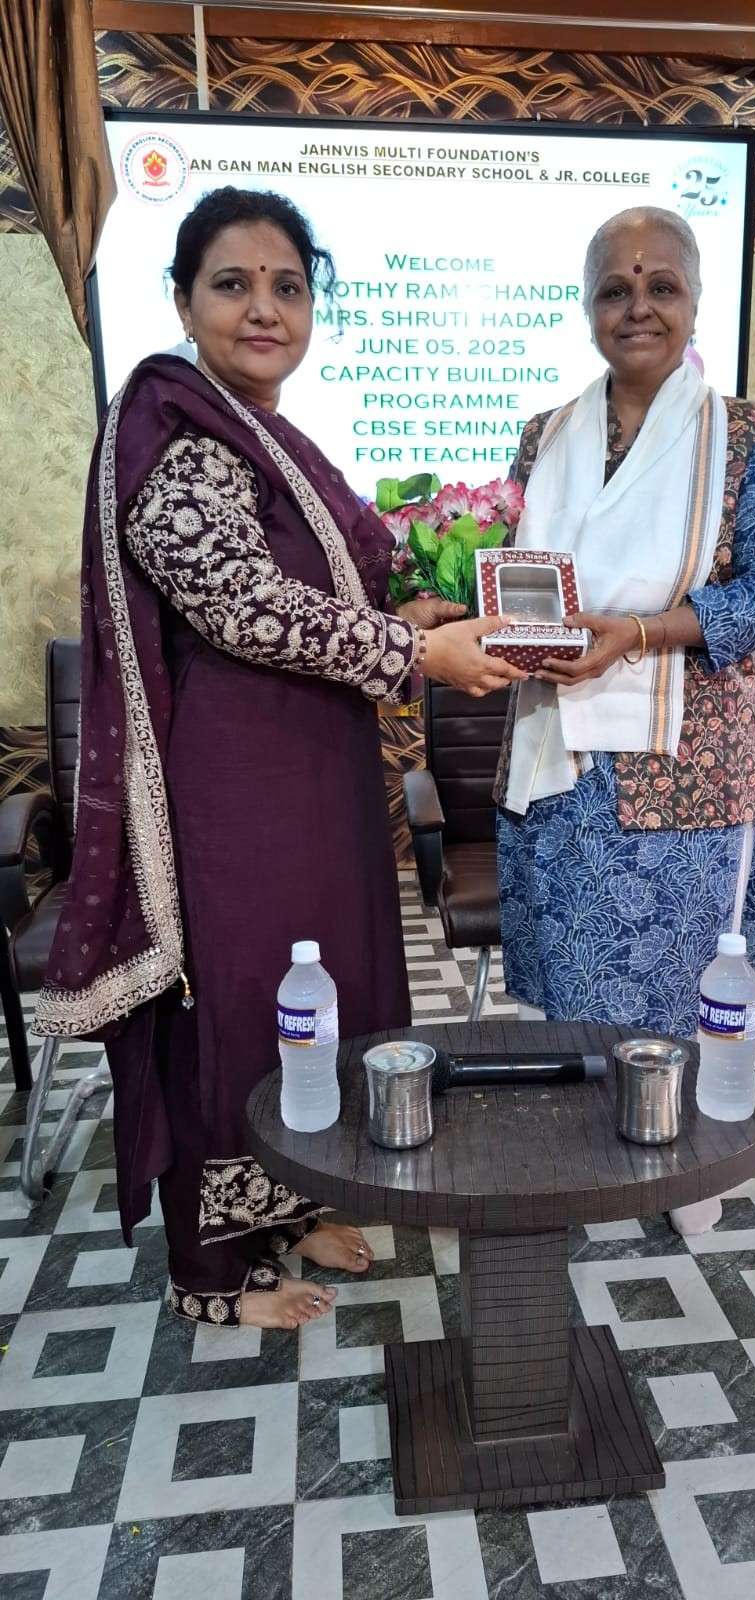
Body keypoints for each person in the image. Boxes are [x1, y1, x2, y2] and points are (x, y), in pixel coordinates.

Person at [34, 187, 524, 1327]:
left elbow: (309, 594)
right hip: (235, 789)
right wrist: (417, 652)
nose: (264, 308)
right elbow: (240, 604)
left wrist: (412, 611)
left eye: (288, 287)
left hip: (313, 772)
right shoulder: (174, 428)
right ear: (181, 301)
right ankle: (211, 1273)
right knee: (240, 1003)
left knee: (322, 990)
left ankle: (289, 1207)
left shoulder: (262, 435)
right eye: (233, 284)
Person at [495, 206, 755, 1233]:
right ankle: (600, 1147)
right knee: (579, 984)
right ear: (588, 309)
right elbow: (513, 579)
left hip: (683, 768)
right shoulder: (544, 435)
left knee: (681, 986)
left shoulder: (744, 438)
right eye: (615, 289)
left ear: (696, 302)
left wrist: (635, 633)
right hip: (561, 762)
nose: (638, 306)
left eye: (661, 285)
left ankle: (683, 1166)